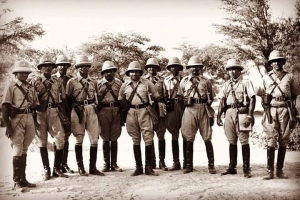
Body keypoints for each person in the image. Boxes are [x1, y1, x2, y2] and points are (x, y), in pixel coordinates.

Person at [257, 50, 298, 180]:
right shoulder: (265, 77)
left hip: (285, 109)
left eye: (279, 60)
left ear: (283, 62)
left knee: (284, 139)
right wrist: (265, 105)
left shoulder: (290, 77)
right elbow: (261, 94)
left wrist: (293, 109)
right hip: (271, 110)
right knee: (271, 139)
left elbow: (295, 94)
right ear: (271, 63)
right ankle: (270, 171)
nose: (277, 63)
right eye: (274, 61)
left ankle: (279, 170)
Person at [2, 60, 39, 189]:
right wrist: (8, 126)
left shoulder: (31, 87)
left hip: (29, 117)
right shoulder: (11, 86)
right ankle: (16, 180)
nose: (24, 75)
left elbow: (36, 103)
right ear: (16, 73)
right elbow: (5, 107)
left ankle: (23, 178)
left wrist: (33, 105)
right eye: (21, 73)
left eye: (26, 73)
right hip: (17, 118)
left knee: (24, 148)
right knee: (17, 148)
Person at [118, 61, 160, 176]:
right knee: (135, 139)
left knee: (148, 137)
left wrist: (151, 108)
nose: (134, 74)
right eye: (132, 71)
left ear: (140, 72)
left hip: (145, 111)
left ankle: (148, 167)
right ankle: (138, 167)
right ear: (129, 73)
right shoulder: (124, 85)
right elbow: (120, 99)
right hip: (131, 112)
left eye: (137, 71)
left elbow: (156, 97)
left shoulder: (147, 83)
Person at [217, 59, 256, 178]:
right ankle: (232, 167)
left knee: (244, 140)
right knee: (231, 140)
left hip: (242, 113)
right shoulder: (226, 84)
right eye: (230, 69)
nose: (232, 72)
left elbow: (252, 99)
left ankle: (246, 168)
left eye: (235, 69)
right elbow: (222, 101)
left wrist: (250, 115)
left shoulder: (246, 82)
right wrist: (218, 116)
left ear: (240, 70)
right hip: (229, 112)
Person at [31, 54, 68, 180]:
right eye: (44, 66)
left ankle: (56, 168)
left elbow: (62, 100)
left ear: (53, 68)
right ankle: (46, 169)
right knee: (42, 141)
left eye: (49, 66)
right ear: (40, 68)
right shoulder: (35, 82)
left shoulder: (58, 82)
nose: (47, 68)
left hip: (54, 111)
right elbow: (31, 100)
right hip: (40, 113)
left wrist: (64, 116)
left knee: (60, 139)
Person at [66, 55, 104, 176]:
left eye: (86, 66)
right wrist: (73, 110)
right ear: (77, 68)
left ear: (89, 68)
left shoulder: (94, 81)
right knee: (79, 138)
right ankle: (80, 167)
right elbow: (68, 99)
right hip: (77, 110)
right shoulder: (71, 82)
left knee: (94, 138)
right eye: (81, 66)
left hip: (91, 108)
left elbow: (98, 96)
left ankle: (92, 167)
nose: (83, 68)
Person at [177, 56, 216, 174]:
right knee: (189, 137)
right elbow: (179, 96)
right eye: (192, 67)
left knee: (207, 137)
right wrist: (185, 101)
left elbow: (211, 96)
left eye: (197, 67)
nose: (194, 69)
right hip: (189, 109)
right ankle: (189, 165)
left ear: (200, 68)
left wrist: (207, 102)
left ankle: (211, 165)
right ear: (188, 68)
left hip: (203, 108)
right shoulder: (184, 81)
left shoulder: (206, 81)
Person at [97, 61, 123, 172]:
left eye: (111, 71)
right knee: (105, 137)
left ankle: (114, 163)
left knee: (114, 137)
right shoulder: (98, 84)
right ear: (103, 73)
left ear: (114, 72)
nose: (109, 73)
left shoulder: (119, 83)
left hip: (116, 110)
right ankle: (106, 163)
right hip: (103, 110)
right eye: (106, 71)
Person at [143, 58, 168, 171]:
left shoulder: (162, 80)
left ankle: (162, 161)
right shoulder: (142, 80)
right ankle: (151, 160)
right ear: (146, 69)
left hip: (159, 108)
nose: (151, 69)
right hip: (147, 110)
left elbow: (165, 94)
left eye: (154, 67)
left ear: (157, 69)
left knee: (161, 134)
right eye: (149, 67)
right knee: (149, 134)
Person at [163, 57, 185, 171]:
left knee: (186, 133)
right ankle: (176, 162)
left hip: (184, 106)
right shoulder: (166, 80)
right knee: (174, 134)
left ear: (179, 68)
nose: (174, 68)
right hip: (172, 106)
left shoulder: (185, 79)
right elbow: (165, 94)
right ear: (169, 68)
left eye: (176, 66)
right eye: (172, 66)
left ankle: (187, 162)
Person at [53, 54, 74, 174]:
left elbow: (71, 98)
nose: (62, 67)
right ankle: (57, 165)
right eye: (60, 65)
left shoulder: (70, 80)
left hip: (67, 111)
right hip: (55, 111)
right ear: (57, 66)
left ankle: (64, 163)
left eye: (65, 65)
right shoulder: (53, 79)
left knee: (66, 138)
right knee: (57, 138)